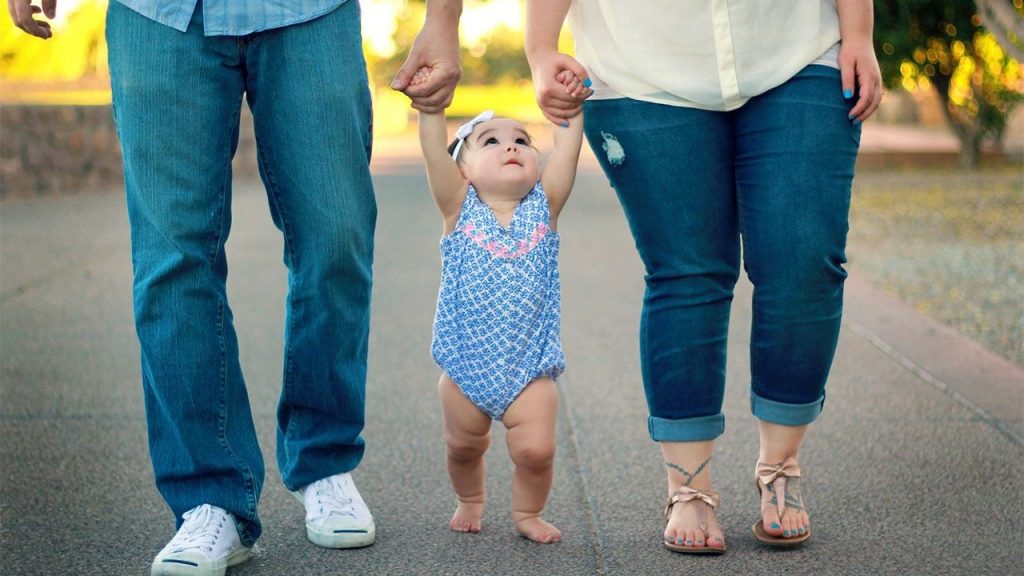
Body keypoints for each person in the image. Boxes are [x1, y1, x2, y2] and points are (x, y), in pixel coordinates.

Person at [8, 1, 461, 574]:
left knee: (335, 236)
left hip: (310, 13)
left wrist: (444, 17)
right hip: (158, 16)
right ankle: (208, 497)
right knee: (171, 259)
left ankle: (323, 459)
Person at [526, 0, 883, 554]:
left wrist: (858, 30)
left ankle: (781, 468)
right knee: (687, 274)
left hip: (799, 52)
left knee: (803, 262)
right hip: (639, 68)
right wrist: (541, 49)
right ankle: (688, 486)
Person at [411, 67, 585, 542]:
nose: (511, 146)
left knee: (536, 452)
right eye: (490, 141)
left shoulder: (544, 208)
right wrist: (431, 109)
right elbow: (433, 155)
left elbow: (567, 151)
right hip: (465, 368)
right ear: (463, 171)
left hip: (529, 368)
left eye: (523, 140)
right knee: (463, 446)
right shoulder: (458, 210)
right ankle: (470, 498)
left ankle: (527, 512)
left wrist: (568, 110)